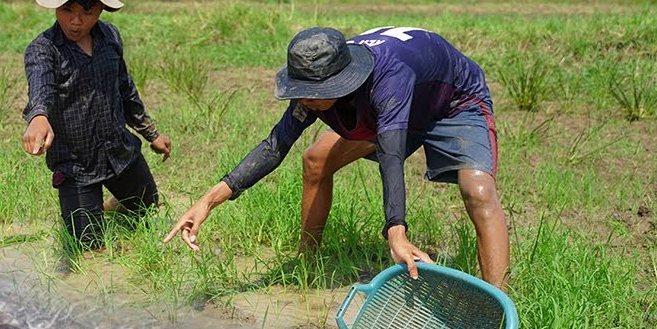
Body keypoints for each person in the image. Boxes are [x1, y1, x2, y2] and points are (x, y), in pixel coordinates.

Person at [164, 26, 510, 290]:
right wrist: (207, 202)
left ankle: (496, 310)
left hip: (451, 102)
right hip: (388, 108)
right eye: (303, 94)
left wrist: (396, 232)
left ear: (344, 81)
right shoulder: (314, 83)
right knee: (315, 160)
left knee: (477, 191)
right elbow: (274, 146)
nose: (307, 102)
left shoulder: (388, 79)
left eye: (316, 95)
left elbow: (391, 155)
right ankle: (307, 262)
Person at [22, 0, 172, 252]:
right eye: (67, 11)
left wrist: (152, 135)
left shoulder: (111, 38)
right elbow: (41, 87)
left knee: (147, 208)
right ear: (56, 8)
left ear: (100, 10)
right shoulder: (43, 49)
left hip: (120, 152)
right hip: (76, 164)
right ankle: (91, 207)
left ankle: (110, 204)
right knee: (88, 249)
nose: (75, 22)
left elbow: (126, 90)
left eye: (86, 13)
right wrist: (38, 116)